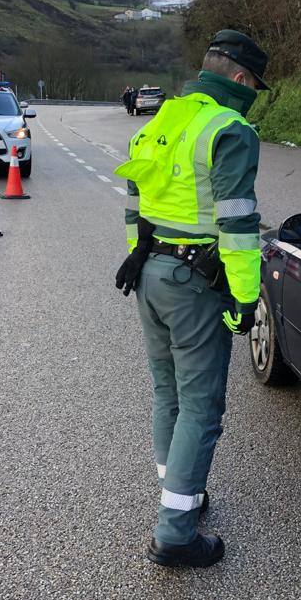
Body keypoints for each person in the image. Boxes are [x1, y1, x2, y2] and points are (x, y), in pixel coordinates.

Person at [113, 29, 269, 568]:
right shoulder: (231, 128)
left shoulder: (166, 118)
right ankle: (176, 532)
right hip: (196, 285)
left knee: (168, 393)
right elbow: (239, 224)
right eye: (256, 86)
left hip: (151, 274)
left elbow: (135, 198)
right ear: (243, 80)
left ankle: (182, 496)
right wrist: (247, 298)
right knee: (202, 407)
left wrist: (138, 255)